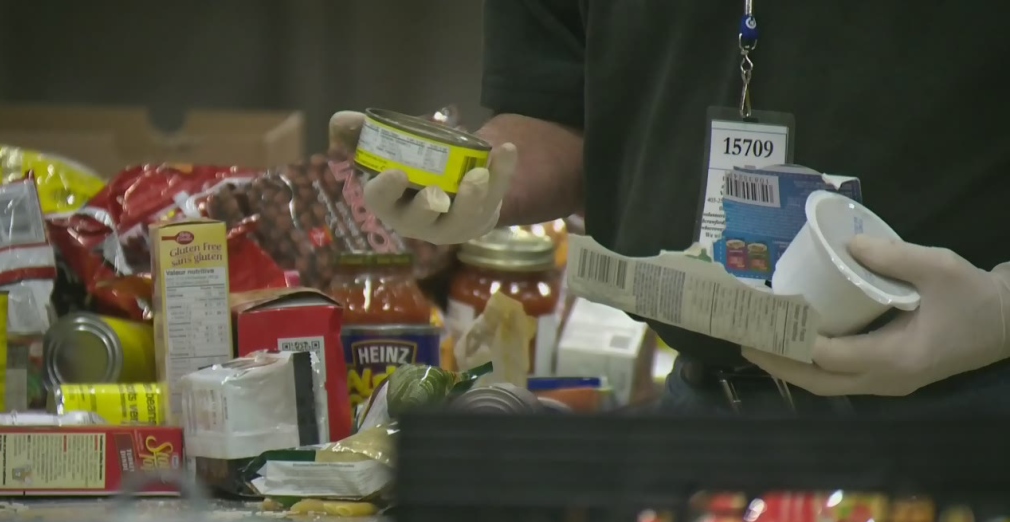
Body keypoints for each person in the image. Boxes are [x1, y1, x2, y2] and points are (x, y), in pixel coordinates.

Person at [329, 1, 1010, 414]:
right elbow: (561, 110)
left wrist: (1002, 312)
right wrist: (475, 181)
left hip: (973, 418)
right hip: (709, 413)